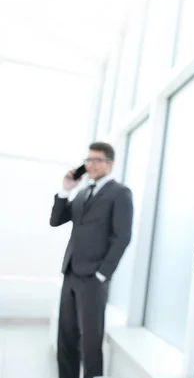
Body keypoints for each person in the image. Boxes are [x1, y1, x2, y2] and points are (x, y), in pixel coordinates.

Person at [50, 142, 133, 378]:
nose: (91, 165)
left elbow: (122, 237)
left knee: (91, 340)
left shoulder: (120, 193)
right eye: (88, 160)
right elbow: (56, 220)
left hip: (93, 278)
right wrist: (66, 190)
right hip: (71, 273)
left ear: (110, 163)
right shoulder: (82, 192)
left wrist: (102, 274)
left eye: (97, 160)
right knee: (65, 336)